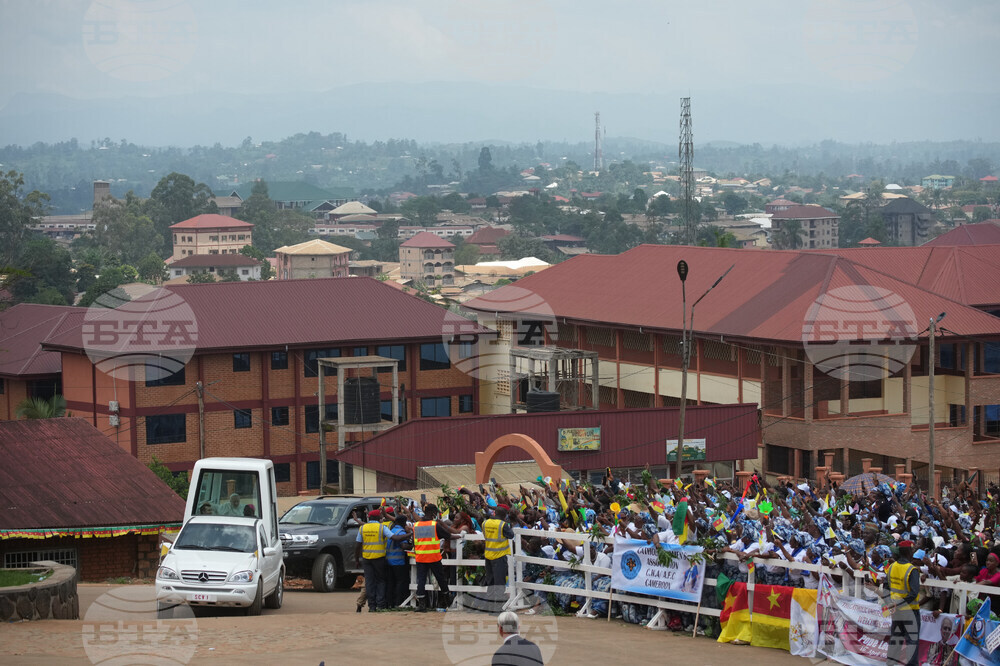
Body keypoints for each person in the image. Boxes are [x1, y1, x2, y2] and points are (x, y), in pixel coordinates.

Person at [884, 540, 921, 666]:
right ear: (909, 551)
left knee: (896, 639)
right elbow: (913, 593)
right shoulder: (912, 569)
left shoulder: (892, 566)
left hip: (896, 609)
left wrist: (891, 603)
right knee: (912, 641)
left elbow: (885, 587)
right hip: (910, 610)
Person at [413, 504, 456, 612]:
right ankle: (447, 600)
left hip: (421, 557)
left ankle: (422, 605)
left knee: (421, 581)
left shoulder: (416, 525)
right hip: (433, 557)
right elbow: (448, 536)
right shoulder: (434, 524)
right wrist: (461, 536)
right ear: (433, 513)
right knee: (441, 579)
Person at [354, 509, 393, 612]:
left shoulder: (363, 528)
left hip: (367, 559)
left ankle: (372, 606)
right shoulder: (381, 527)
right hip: (379, 559)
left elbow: (358, 545)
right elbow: (393, 537)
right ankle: (380, 605)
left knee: (369, 582)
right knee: (380, 581)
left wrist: (357, 559)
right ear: (378, 518)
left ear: (369, 518)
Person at [483, 505, 515, 610]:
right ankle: (498, 608)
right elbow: (511, 535)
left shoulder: (485, 523)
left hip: (488, 556)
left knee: (490, 582)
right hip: (499, 557)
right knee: (499, 583)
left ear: (494, 513)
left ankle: (489, 607)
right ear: (504, 516)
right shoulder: (503, 525)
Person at [386, 514, 411, 607]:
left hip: (389, 561)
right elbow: (404, 546)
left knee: (391, 583)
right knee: (400, 582)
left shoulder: (391, 530)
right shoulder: (401, 532)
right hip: (398, 561)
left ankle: (390, 603)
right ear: (404, 523)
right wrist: (412, 546)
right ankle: (398, 603)